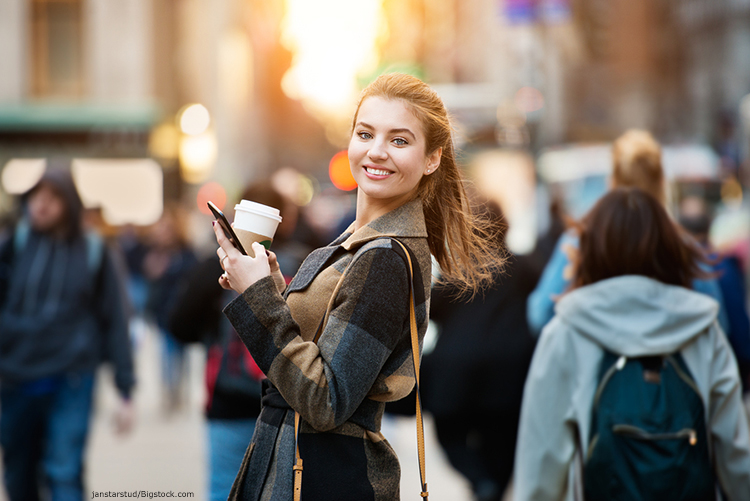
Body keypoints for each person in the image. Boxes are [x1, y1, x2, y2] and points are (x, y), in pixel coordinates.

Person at [210, 73, 498, 500]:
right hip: (295, 465)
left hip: (320, 476)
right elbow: (315, 351)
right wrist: (266, 283)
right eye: (366, 134)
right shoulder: (357, 241)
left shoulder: (384, 257)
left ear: (432, 158)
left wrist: (258, 299)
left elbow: (326, 399)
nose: (376, 151)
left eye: (399, 140)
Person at [514, 188, 750, 500]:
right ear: (669, 247)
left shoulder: (567, 331)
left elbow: (540, 466)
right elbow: (736, 456)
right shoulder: (702, 329)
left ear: (592, 249)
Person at [168, 180, 315, 501]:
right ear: (283, 220)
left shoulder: (216, 265)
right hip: (288, 402)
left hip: (228, 401)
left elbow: (178, 326)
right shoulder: (306, 265)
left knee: (224, 489)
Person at [0, 166, 135, 501]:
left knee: (64, 473)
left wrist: (125, 389)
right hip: (16, 378)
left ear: (69, 204)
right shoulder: (15, 245)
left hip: (71, 378)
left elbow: (116, 319)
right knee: (19, 473)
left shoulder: (94, 251)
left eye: (51, 198)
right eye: (36, 197)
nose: (41, 206)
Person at [527, 129, 730, 336]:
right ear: (662, 183)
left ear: (612, 181)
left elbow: (540, 315)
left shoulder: (580, 241)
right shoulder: (681, 245)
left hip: (597, 364)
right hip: (667, 365)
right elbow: (716, 324)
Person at [423, 202, 538, 501]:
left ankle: (480, 481)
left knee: (450, 434)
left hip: (456, 373)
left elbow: (430, 310)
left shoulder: (459, 270)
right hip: (510, 374)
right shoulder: (523, 268)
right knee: (503, 440)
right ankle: (492, 487)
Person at [142, 205, 197, 411]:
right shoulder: (156, 253)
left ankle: (178, 390)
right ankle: (169, 391)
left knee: (181, 355)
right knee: (167, 353)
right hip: (164, 313)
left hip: (182, 313)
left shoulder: (186, 254)